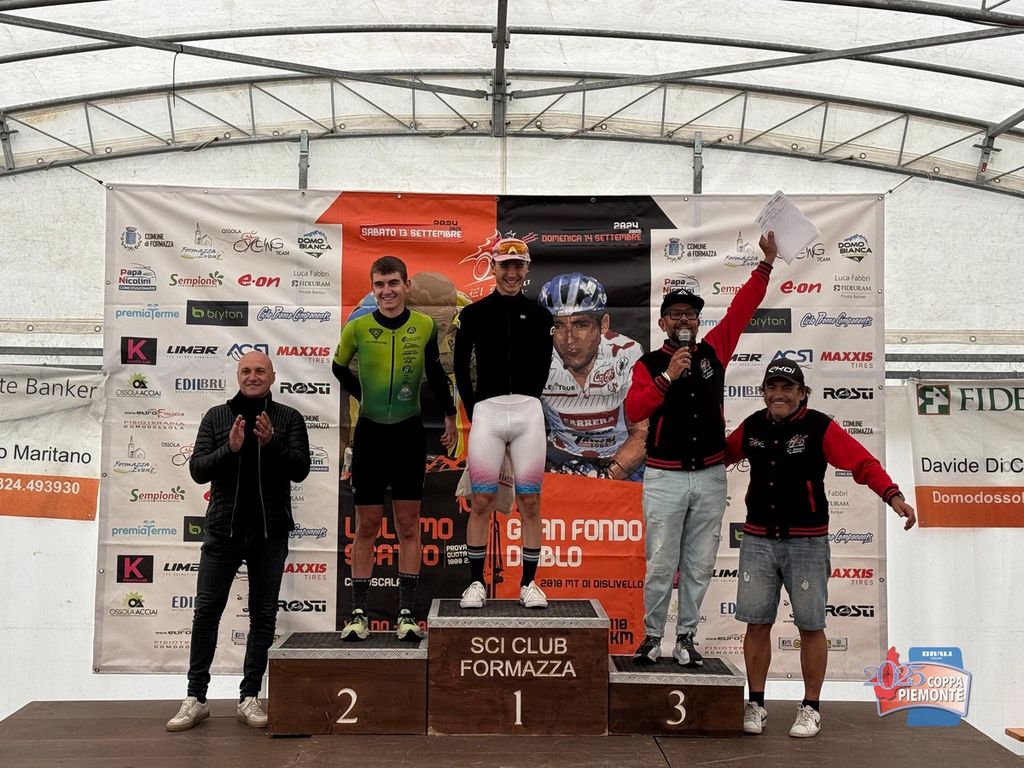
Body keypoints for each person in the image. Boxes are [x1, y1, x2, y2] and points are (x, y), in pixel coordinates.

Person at [725, 358, 916, 738]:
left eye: (787, 388)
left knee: (811, 625)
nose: (778, 394)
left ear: (802, 393)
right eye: (772, 387)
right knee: (756, 623)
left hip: (807, 542)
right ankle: (756, 704)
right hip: (758, 540)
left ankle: (811, 707)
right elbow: (718, 455)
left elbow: (862, 463)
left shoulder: (819, 426)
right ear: (763, 392)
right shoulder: (753, 426)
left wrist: (892, 495)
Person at [625, 232, 779, 668]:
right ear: (662, 324)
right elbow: (633, 410)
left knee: (698, 563)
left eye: (690, 314)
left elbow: (742, 308)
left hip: (710, 476)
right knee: (660, 562)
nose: (684, 320)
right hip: (663, 476)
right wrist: (668, 376)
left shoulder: (715, 350)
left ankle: (687, 637)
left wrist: (766, 264)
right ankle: (652, 637)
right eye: (675, 314)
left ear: (698, 321)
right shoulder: (649, 364)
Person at [166, 351, 311, 732]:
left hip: (269, 534)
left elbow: (300, 469)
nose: (253, 376)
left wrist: (272, 443)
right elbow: (198, 470)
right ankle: (196, 698)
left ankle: (249, 697)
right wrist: (228, 450)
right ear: (237, 376)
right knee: (206, 613)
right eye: (246, 370)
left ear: (272, 377)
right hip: (222, 533)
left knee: (263, 617)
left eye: (260, 371)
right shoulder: (217, 417)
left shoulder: (288, 418)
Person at [332, 256, 457, 642]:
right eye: (379, 284)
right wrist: (364, 395)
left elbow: (435, 372)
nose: (386, 291)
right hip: (370, 435)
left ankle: (406, 614)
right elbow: (338, 368)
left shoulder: (423, 326)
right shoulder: (358, 327)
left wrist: (450, 415)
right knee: (367, 525)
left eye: (393, 283)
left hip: (407, 435)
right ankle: (358, 614)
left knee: (407, 525)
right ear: (373, 288)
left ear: (406, 286)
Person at [453, 236, 554, 609]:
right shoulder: (474, 314)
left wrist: (528, 398)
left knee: (530, 502)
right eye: (505, 266)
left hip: (528, 413)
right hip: (488, 413)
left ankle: (529, 584)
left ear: (526, 270)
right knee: (481, 500)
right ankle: (475, 583)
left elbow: (543, 364)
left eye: (518, 266)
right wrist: (475, 407)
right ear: (493, 268)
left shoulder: (541, 316)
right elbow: (460, 365)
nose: (511, 273)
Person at [537, 271, 647, 481]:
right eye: (558, 325)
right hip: (559, 459)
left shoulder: (626, 352)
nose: (569, 339)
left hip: (618, 459)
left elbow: (642, 433)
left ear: (603, 324)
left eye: (581, 324)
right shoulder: (537, 357)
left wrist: (606, 477)